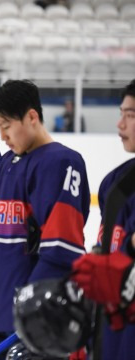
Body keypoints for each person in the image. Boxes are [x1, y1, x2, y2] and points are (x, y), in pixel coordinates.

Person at [0, 80, 90, 358]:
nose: (2, 136)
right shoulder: (5, 163)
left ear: (32, 117)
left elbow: (62, 246)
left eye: (7, 126)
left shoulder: (62, 162)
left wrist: (33, 308)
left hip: (34, 317)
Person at [72, 79, 135, 360]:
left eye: (130, 115)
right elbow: (107, 250)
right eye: (121, 113)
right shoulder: (116, 183)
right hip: (113, 332)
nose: (120, 125)